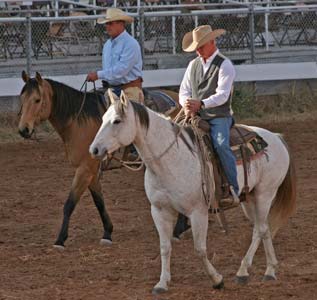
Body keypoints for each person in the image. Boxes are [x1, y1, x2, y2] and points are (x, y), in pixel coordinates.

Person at [179, 25, 240, 204]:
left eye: (201, 46)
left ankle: (232, 187)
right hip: (195, 115)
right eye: (197, 47)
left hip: (218, 116)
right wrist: (186, 104)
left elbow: (222, 95)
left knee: (221, 145)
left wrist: (202, 103)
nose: (198, 50)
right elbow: (184, 90)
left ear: (212, 42)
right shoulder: (193, 65)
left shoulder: (225, 65)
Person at [87, 8, 144, 103]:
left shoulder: (130, 43)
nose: (107, 26)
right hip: (111, 88)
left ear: (121, 24)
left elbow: (122, 69)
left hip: (129, 89)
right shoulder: (107, 45)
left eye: (111, 23)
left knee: (126, 114)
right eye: (106, 23)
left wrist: (98, 75)